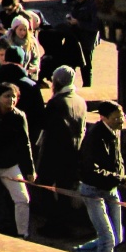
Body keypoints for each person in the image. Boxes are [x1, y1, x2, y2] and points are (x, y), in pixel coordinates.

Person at [0, 82, 36, 237]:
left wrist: (30, 170)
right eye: (7, 96)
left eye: (14, 97)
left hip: (9, 165)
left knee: (23, 199)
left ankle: (23, 234)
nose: (11, 100)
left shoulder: (19, 116)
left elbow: (25, 144)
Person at [75, 100, 126, 252]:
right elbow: (92, 169)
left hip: (111, 189)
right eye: (116, 118)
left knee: (117, 236)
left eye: (122, 117)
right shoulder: (95, 137)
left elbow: (116, 159)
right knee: (107, 238)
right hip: (93, 190)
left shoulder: (114, 130)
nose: (121, 121)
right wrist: (120, 178)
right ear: (104, 118)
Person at [37, 65, 88, 236]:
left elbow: (44, 125)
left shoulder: (56, 102)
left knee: (44, 186)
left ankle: (54, 223)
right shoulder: (80, 101)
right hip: (73, 153)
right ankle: (62, 224)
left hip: (54, 154)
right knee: (65, 190)